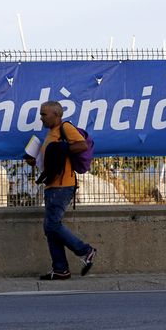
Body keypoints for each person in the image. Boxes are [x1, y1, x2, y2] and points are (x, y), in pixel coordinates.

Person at [25, 100, 97, 280]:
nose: (41, 118)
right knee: (49, 227)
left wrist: (61, 149)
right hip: (53, 185)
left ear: (56, 115)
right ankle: (60, 269)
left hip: (62, 185)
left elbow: (82, 145)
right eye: (41, 114)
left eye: (44, 114)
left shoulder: (65, 127)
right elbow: (50, 161)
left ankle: (85, 251)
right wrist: (34, 161)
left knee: (52, 225)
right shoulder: (51, 134)